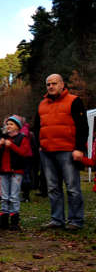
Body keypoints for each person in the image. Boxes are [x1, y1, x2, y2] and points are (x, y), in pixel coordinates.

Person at [33, 74, 88, 230]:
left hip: (68, 151)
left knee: (72, 187)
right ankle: (57, 219)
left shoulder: (74, 101)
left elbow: (83, 127)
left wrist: (79, 148)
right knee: (52, 188)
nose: (51, 86)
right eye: (48, 84)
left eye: (54, 83)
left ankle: (76, 220)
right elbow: (36, 127)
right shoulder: (42, 104)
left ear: (62, 84)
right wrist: (39, 145)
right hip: (47, 152)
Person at [0, 116, 33, 230]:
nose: (8, 126)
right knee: (4, 197)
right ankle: (3, 221)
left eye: (11, 124)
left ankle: (15, 222)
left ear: (18, 127)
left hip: (16, 171)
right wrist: (0, 144)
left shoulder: (22, 138)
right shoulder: (2, 138)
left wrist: (12, 146)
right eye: (7, 124)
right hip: (3, 171)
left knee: (14, 196)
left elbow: (25, 153)